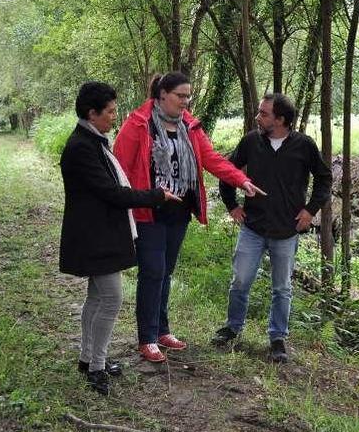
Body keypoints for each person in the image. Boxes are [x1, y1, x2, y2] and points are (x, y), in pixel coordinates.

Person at [114, 71, 265, 363]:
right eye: (180, 96)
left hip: (179, 211)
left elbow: (212, 159)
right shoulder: (138, 124)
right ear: (162, 95)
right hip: (149, 209)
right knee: (153, 272)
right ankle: (146, 338)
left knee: (166, 272)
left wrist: (240, 180)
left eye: (188, 96)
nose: (186, 101)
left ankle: (161, 331)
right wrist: (123, 204)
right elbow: (119, 166)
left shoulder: (189, 126)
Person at [59, 81, 180, 395]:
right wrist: (155, 195)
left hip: (99, 233)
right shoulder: (82, 147)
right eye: (110, 111)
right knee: (111, 299)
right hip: (94, 236)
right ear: (92, 113)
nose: (115, 116)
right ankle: (97, 367)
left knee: (97, 299)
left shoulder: (94, 140)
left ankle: (88, 359)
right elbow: (112, 192)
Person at [211, 93, 332, 363]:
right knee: (240, 281)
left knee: (282, 288)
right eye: (259, 112)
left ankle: (277, 338)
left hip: (286, 230)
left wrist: (310, 210)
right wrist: (232, 205)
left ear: (281, 120)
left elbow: (325, 178)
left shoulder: (304, 145)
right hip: (252, 227)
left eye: (264, 114)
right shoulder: (251, 142)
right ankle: (232, 328)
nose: (258, 117)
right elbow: (228, 172)